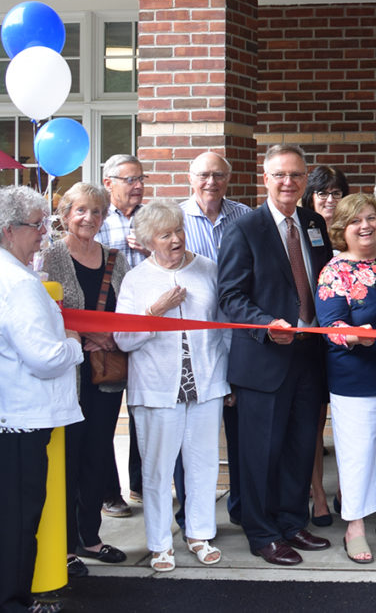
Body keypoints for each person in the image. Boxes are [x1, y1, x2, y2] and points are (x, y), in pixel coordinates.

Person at [217, 144, 333, 566]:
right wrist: (267, 325)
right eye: (280, 175)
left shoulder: (314, 222)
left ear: (305, 180)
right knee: (261, 451)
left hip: (309, 355)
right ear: (264, 178)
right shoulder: (244, 228)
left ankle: (290, 522)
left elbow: (324, 283)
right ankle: (261, 531)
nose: (289, 182)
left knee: (302, 446)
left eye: (297, 175)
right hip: (265, 359)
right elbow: (230, 295)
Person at [113, 201, 230, 572]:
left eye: (179, 230)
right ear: (149, 242)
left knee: (203, 464)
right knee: (158, 469)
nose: (176, 239)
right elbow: (123, 340)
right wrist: (154, 312)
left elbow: (224, 329)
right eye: (166, 234)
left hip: (207, 384)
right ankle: (160, 542)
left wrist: (228, 380)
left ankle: (199, 534)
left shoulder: (207, 269)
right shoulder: (136, 279)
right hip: (156, 389)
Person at [0, 185, 84, 613]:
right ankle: (14, 601)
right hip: (22, 415)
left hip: (13, 412)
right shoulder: (18, 283)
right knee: (19, 517)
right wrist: (73, 342)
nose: (43, 235)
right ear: (8, 231)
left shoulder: (14, 275)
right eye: (37, 226)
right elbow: (45, 357)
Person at [314, 194, 376, 565]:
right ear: (342, 229)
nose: (365, 226)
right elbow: (330, 325)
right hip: (354, 375)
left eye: (371, 218)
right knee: (356, 454)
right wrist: (354, 334)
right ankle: (354, 525)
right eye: (356, 221)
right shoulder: (333, 271)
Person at [41, 182, 130, 575]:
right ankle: (63, 546)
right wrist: (84, 336)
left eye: (97, 212)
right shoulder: (49, 256)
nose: (89, 218)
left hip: (105, 373)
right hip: (67, 374)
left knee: (98, 454)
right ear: (65, 215)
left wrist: (108, 336)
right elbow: (45, 310)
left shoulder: (115, 259)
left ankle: (90, 537)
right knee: (68, 457)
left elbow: (127, 311)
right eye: (81, 211)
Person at [179, 151, 251, 528]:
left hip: (237, 337)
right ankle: (190, 514)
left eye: (219, 175)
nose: (211, 182)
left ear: (229, 178)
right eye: (204, 175)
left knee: (239, 431)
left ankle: (240, 508)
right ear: (191, 178)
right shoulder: (174, 217)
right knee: (191, 435)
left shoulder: (245, 216)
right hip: (191, 341)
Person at [95, 153, 147, 516]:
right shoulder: (96, 219)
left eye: (141, 178)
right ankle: (108, 492)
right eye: (130, 179)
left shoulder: (153, 216)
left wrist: (151, 247)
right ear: (109, 183)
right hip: (109, 337)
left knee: (144, 413)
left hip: (148, 330)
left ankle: (143, 485)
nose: (138, 186)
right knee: (104, 417)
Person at [299, 164, 349, 526]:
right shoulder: (303, 228)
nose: (329, 200)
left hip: (350, 343)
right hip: (312, 338)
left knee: (349, 423)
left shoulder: (355, 227)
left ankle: (347, 492)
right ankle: (317, 492)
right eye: (322, 193)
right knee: (314, 423)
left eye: (335, 193)